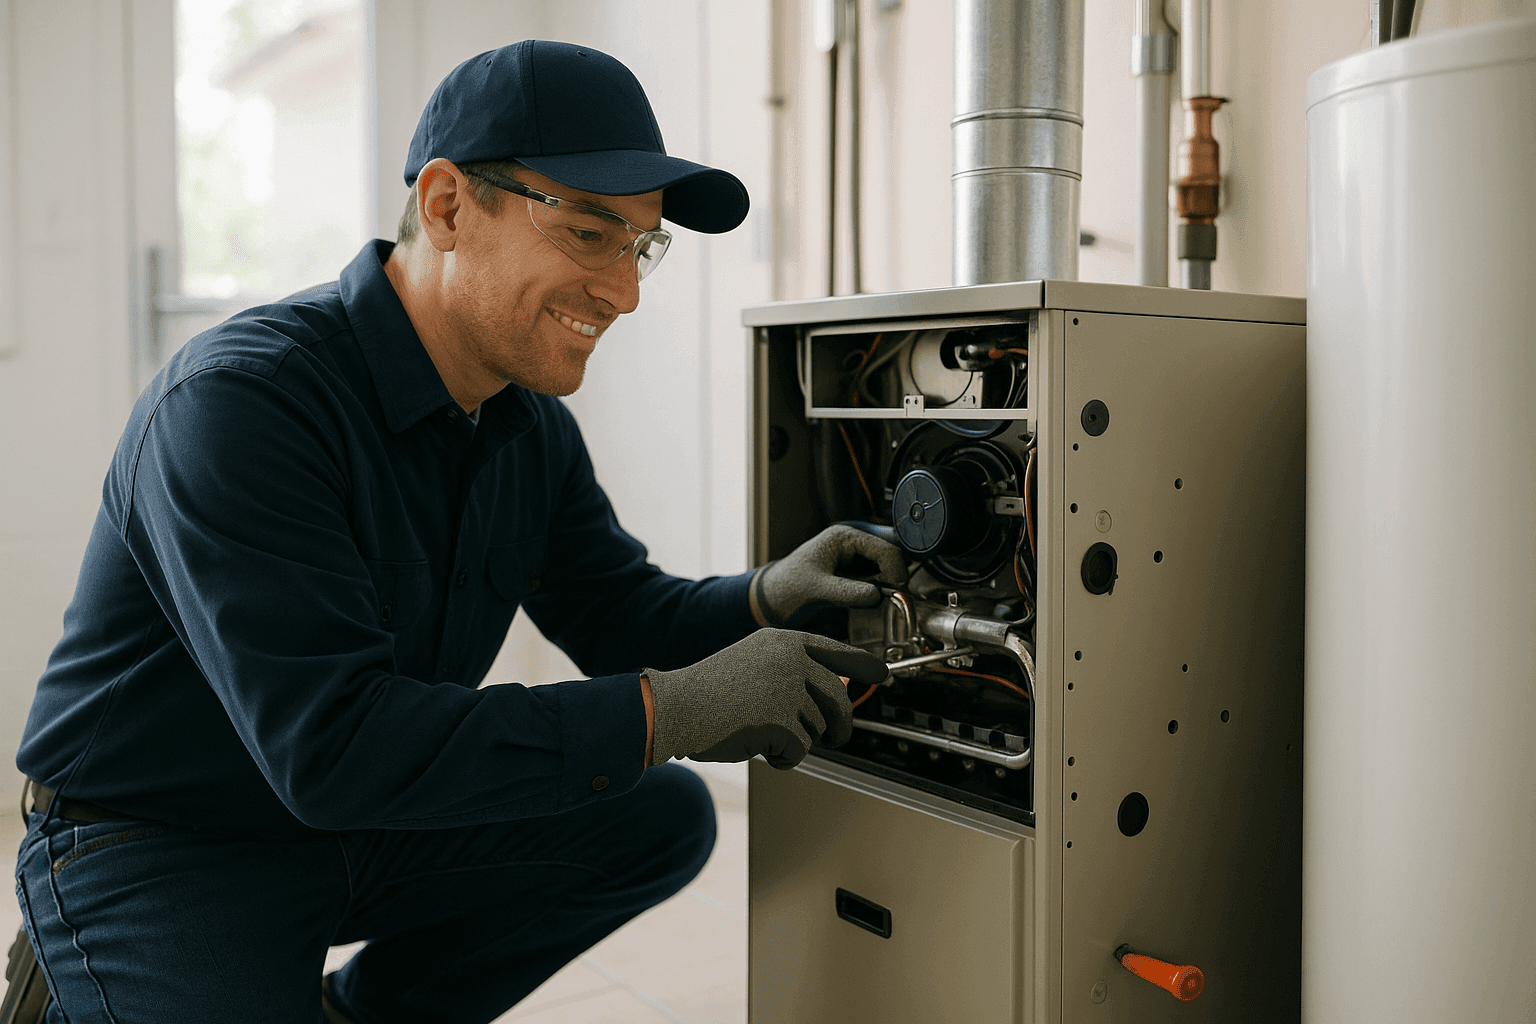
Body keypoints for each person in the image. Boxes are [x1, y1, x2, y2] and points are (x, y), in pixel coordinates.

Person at [12, 40, 903, 1023]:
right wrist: (670, 711)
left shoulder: (524, 425)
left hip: (358, 821)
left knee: (657, 816)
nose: (626, 291)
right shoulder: (245, 402)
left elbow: (616, 613)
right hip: (160, 840)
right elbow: (334, 745)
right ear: (445, 206)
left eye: (641, 247)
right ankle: (74, 971)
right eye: (591, 233)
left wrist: (767, 595)